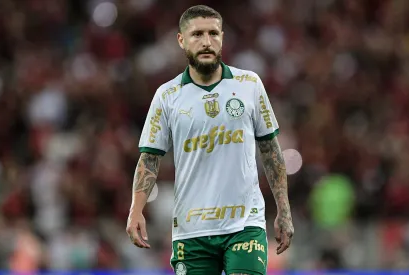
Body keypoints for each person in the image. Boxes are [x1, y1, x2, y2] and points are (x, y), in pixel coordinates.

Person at [126, 5, 294, 275]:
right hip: (192, 230)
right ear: (181, 40)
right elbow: (149, 158)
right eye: (197, 34)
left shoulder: (249, 84)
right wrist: (136, 210)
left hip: (244, 225)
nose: (206, 42)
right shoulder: (167, 96)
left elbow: (271, 151)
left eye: (213, 33)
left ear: (222, 38)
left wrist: (283, 210)